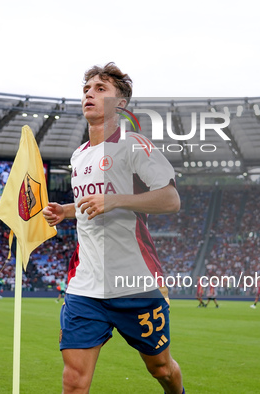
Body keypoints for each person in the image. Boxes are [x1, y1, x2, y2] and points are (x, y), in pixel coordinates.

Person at [42, 63, 184, 394]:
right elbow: (91, 205)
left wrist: (116, 200)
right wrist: (66, 210)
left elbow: (171, 199)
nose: (89, 93)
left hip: (135, 284)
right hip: (85, 286)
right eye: (86, 89)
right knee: (74, 380)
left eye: (100, 88)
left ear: (120, 103)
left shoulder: (134, 144)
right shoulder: (78, 156)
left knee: (161, 368)